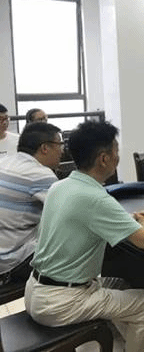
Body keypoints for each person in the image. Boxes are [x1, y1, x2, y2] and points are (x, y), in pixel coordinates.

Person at [24, 121, 144, 352]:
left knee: (120, 284)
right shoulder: (96, 198)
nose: (118, 157)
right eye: (116, 151)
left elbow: (83, 217)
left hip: (36, 290)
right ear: (104, 159)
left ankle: (135, 343)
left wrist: (125, 219)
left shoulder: (60, 186)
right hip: (62, 301)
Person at [0, 122, 62, 285]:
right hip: (10, 262)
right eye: (59, 144)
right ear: (45, 148)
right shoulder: (39, 175)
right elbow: (68, 212)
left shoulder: (4, 162)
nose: (62, 150)